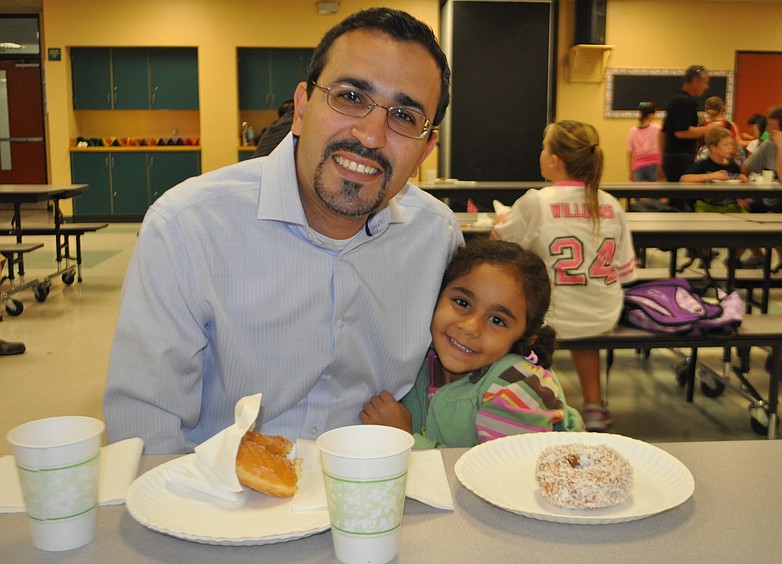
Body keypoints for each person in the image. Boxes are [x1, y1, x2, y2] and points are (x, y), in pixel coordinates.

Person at [103, 8, 462, 454]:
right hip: (220, 500)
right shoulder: (187, 228)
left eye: (405, 117)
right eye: (350, 96)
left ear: (426, 148)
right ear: (302, 107)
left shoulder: (437, 238)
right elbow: (145, 429)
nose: (370, 135)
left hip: (375, 486)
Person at [359, 239, 583, 447]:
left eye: (497, 320)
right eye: (462, 302)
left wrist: (405, 439)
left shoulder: (518, 389)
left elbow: (500, 480)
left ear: (524, 337)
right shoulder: (413, 357)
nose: (470, 327)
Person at [492, 120, 637, 431]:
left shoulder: (536, 201)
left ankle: (540, 401)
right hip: (601, 315)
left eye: (544, 148)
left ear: (554, 160)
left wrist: (502, 218)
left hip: (552, 319)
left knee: (527, 307)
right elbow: (625, 272)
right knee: (584, 321)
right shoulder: (611, 204)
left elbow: (502, 243)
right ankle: (594, 406)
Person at [658, 65, 718, 190]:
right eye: (705, 83)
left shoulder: (677, 101)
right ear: (695, 81)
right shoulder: (684, 102)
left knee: (674, 197)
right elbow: (681, 132)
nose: (706, 87)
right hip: (680, 159)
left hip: (672, 158)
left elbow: (663, 133)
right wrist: (710, 128)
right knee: (680, 196)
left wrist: (661, 158)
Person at [696, 96, 746, 166]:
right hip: (724, 160)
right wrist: (755, 142)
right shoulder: (728, 125)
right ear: (723, 108)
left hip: (703, 159)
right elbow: (738, 143)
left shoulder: (701, 125)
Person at [626, 101, 661, 182]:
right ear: (651, 115)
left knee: (639, 192)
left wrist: (630, 172)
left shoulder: (632, 131)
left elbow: (629, 153)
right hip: (655, 164)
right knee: (656, 192)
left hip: (638, 166)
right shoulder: (658, 129)